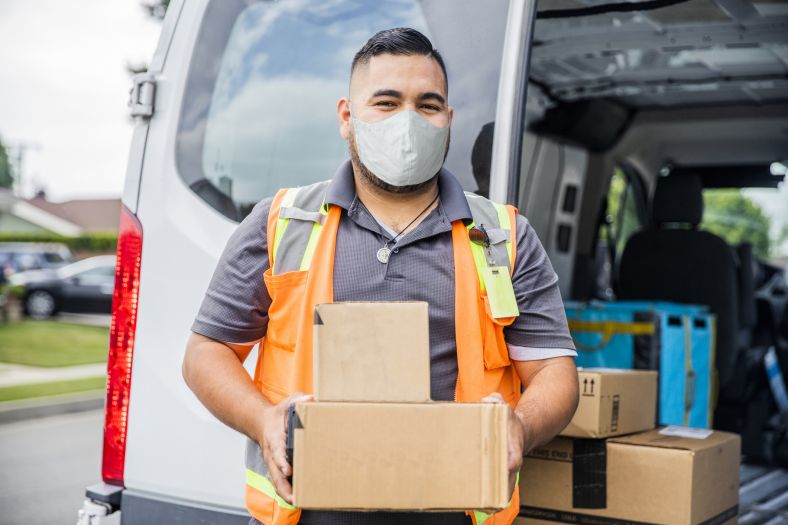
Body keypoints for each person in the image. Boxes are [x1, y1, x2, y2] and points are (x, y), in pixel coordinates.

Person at [183, 27, 579, 525]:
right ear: (347, 117)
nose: (409, 122)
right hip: (308, 510)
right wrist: (264, 420)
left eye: (428, 105)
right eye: (387, 103)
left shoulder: (504, 236)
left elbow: (553, 373)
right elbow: (205, 354)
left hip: (457, 508)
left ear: (449, 119)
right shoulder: (280, 224)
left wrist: (519, 425)